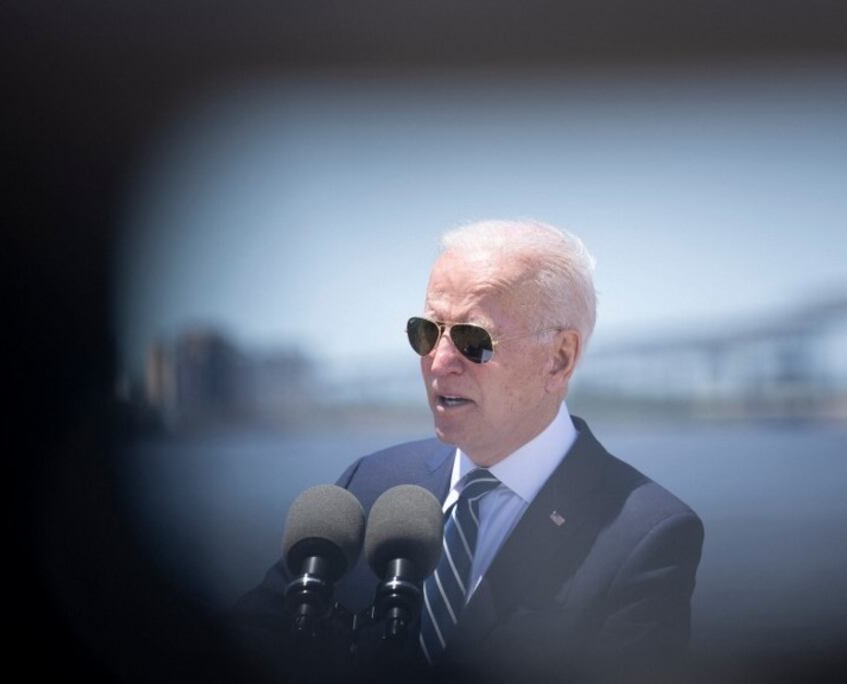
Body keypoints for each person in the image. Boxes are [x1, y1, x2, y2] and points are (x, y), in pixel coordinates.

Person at [232, 220, 704, 682]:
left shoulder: (647, 536)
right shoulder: (368, 486)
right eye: (426, 332)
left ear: (559, 359)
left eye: (473, 341)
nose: (439, 361)